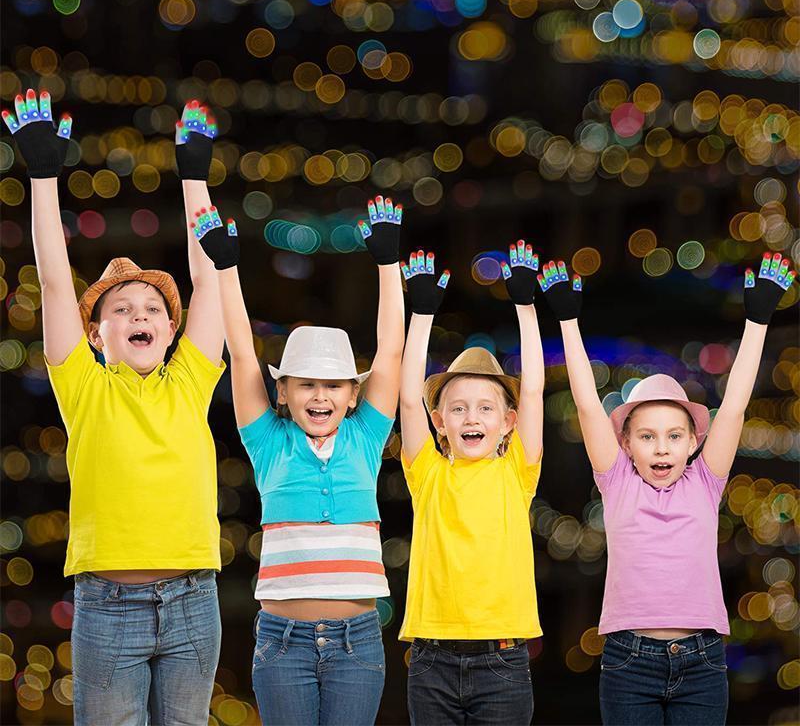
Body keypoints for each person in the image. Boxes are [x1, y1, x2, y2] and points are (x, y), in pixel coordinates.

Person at [3, 94, 227, 726]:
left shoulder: (190, 380)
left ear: (172, 331)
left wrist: (194, 176)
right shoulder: (84, 385)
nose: (140, 316)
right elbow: (52, 280)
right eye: (122, 310)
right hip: (106, 606)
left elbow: (208, 280)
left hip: (193, 600)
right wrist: (43, 175)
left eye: (154, 309)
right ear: (95, 334)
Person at [536, 254, 796, 725]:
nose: (661, 448)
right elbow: (588, 406)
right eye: (647, 436)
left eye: (674, 436)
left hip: (702, 660)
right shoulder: (615, 481)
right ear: (626, 443)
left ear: (694, 442)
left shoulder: (705, 480)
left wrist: (758, 319)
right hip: (627, 661)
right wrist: (568, 320)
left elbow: (734, 408)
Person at [194, 194, 404, 725]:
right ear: (282, 393)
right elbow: (242, 353)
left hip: (358, 640)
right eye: (306, 384)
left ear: (353, 395)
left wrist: (387, 263)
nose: (320, 396)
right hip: (280, 640)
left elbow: (391, 353)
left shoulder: (365, 438)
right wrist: (227, 267)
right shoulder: (268, 442)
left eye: (333, 385)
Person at [398, 240, 544, 725]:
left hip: (502, 660)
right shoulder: (427, 473)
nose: (471, 417)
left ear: (509, 421)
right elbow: (405, 396)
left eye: (486, 408)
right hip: (430, 660)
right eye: (457, 409)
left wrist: (525, 305)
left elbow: (538, 386)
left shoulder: (516, 471)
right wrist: (421, 315)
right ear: (439, 421)